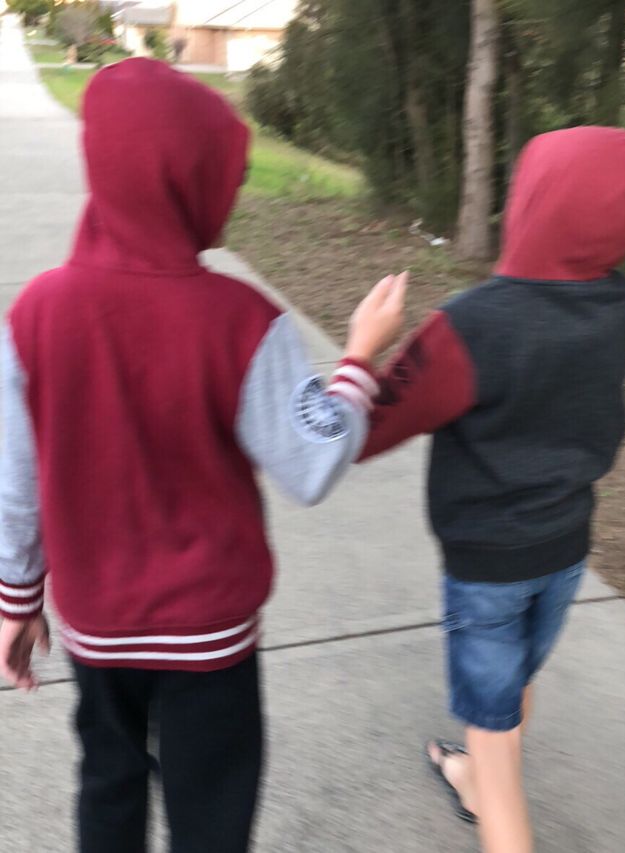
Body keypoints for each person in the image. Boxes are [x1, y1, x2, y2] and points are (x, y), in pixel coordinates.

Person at [0, 59, 406, 853]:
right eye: (228, 176)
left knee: (107, 782)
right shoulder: (242, 322)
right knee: (212, 804)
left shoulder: (34, 314)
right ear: (189, 184)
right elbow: (312, 462)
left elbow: (16, 483)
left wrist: (17, 598)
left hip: (99, 625)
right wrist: (359, 358)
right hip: (210, 636)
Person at [359, 126, 625, 853]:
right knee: (511, 687)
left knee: (494, 741)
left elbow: (369, 427)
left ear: (531, 203)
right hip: (566, 548)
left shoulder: (472, 325)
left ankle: (490, 792)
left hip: (487, 565)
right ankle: (474, 780)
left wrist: (363, 348)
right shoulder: (618, 304)